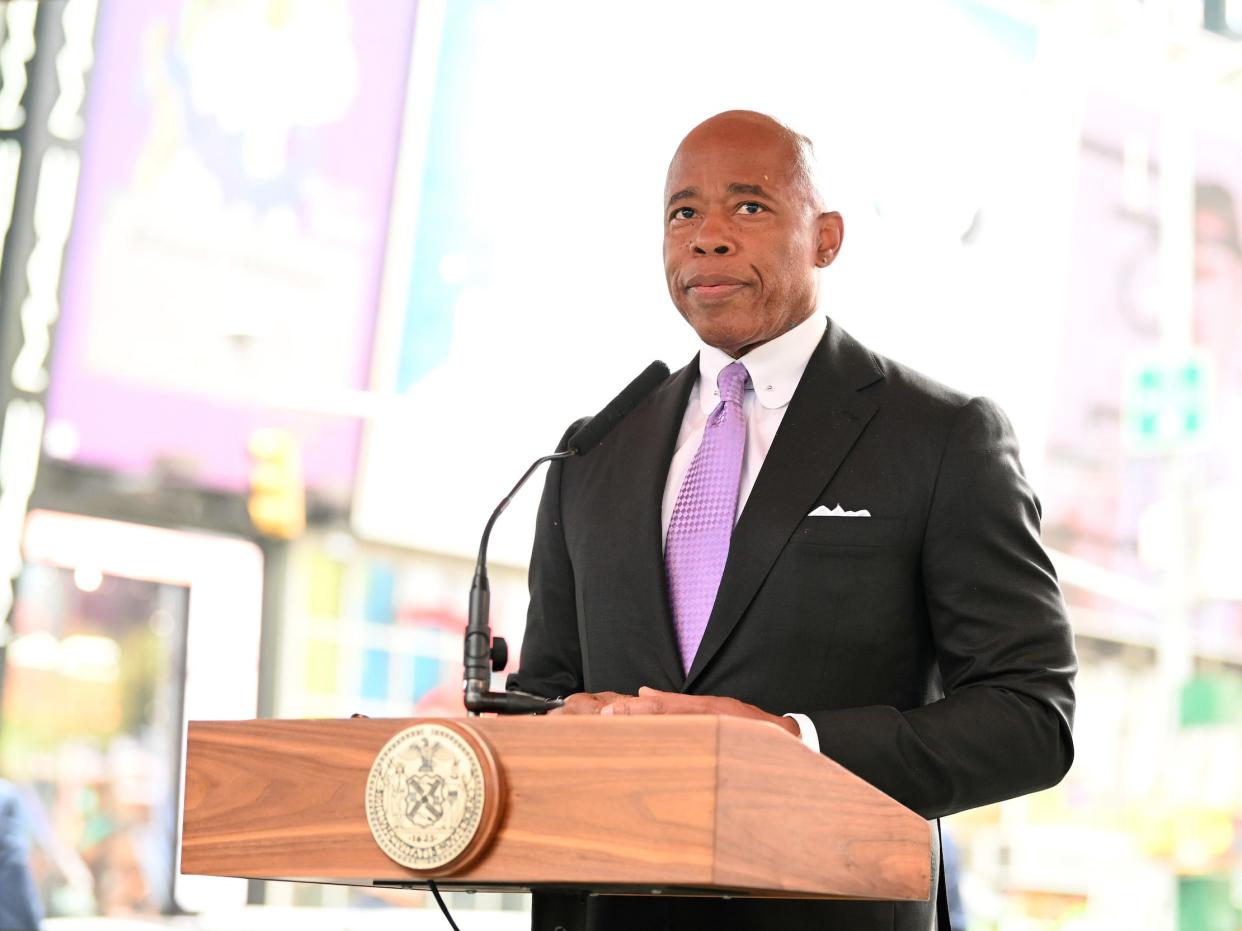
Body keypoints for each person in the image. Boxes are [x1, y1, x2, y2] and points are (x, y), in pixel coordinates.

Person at [508, 110, 1077, 931]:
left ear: (828, 238)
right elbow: (544, 700)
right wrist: (527, 730)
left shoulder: (940, 437)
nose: (707, 237)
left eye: (749, 207)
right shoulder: (592, 451)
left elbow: (1031, 717)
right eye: (683, 212)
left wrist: (793, 742)